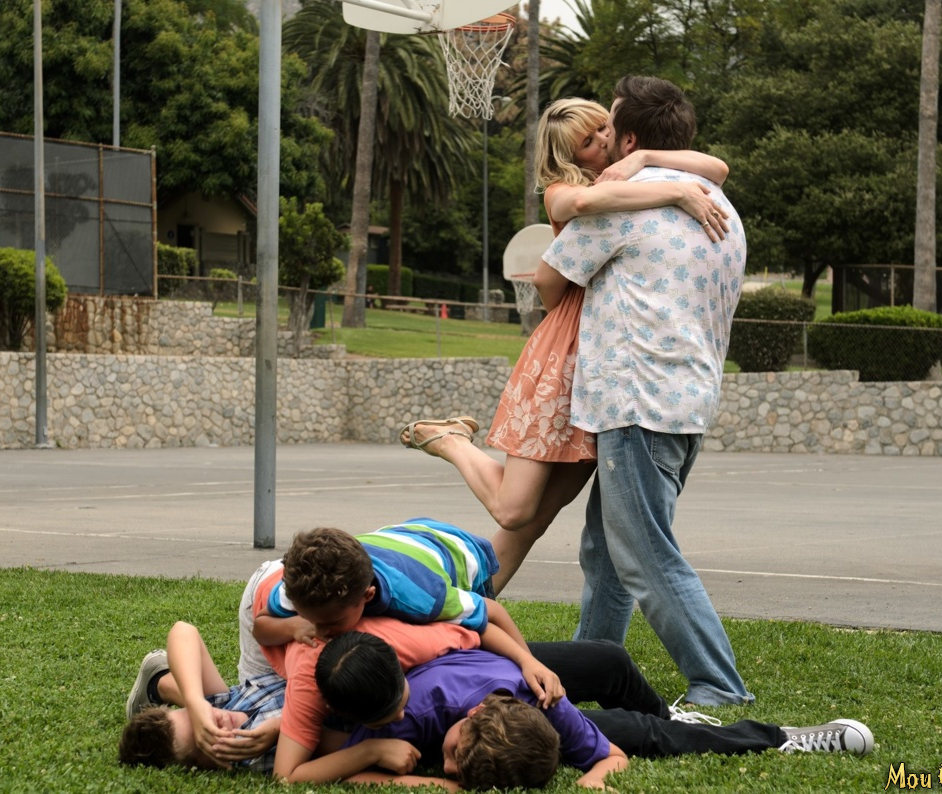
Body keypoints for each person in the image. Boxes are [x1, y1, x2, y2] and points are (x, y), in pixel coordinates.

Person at [398, 97, 732, 594]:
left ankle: (471, 605)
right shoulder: (566, 192)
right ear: (570, 158)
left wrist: (644, 159)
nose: (603, 140)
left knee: (541, 514)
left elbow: (718, 168)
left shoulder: (632, 173)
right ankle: (450, 441)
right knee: (515, 509)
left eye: (603, 129)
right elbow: (565, 235)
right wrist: (678, 192)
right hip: (564, 355)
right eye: (587, 142)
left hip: (603, 365)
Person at [532, 76, 752, 706]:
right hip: (688, 401)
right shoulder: (718, 202)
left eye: (608, 127)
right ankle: (585, 672)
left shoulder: (622, 205)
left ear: (627, 139)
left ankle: (719, 686)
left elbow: (549, 282)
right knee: (607, 550)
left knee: (645, 554)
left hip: (637, 401)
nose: (600, 139)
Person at [297, 632, 873, 789]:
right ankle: (773, 735)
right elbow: (325, 764)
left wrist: (527, 661)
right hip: (493, 676)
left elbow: (610, 756)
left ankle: (764, 734)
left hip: (513, 675)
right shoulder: (405, 713)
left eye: (447, 758)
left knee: (612, 668)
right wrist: (415, 777)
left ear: (465, 724)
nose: (444, 767)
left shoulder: (548, 709)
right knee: (636, 727)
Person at [245, 522, 564, 782]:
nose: (320, 629)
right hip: (274, 582)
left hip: (452, 552)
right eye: (315, 621)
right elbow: (261, 627)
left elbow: (489, 615)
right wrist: (293, 627)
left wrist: (528, 662)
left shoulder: (421, 603)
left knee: (477, 628)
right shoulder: (295, 600)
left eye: (331, 623)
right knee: (266, 691)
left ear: (367, 596)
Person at [118, 620, 286, 771]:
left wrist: (195, 702)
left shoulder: (222, 707)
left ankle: (159, 683)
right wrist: (281, 728)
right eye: (206, 735)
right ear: (204, 766)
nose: (218, 718)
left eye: (198, 719)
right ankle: (161, 683)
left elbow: (183, 630)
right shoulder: (254, 753)